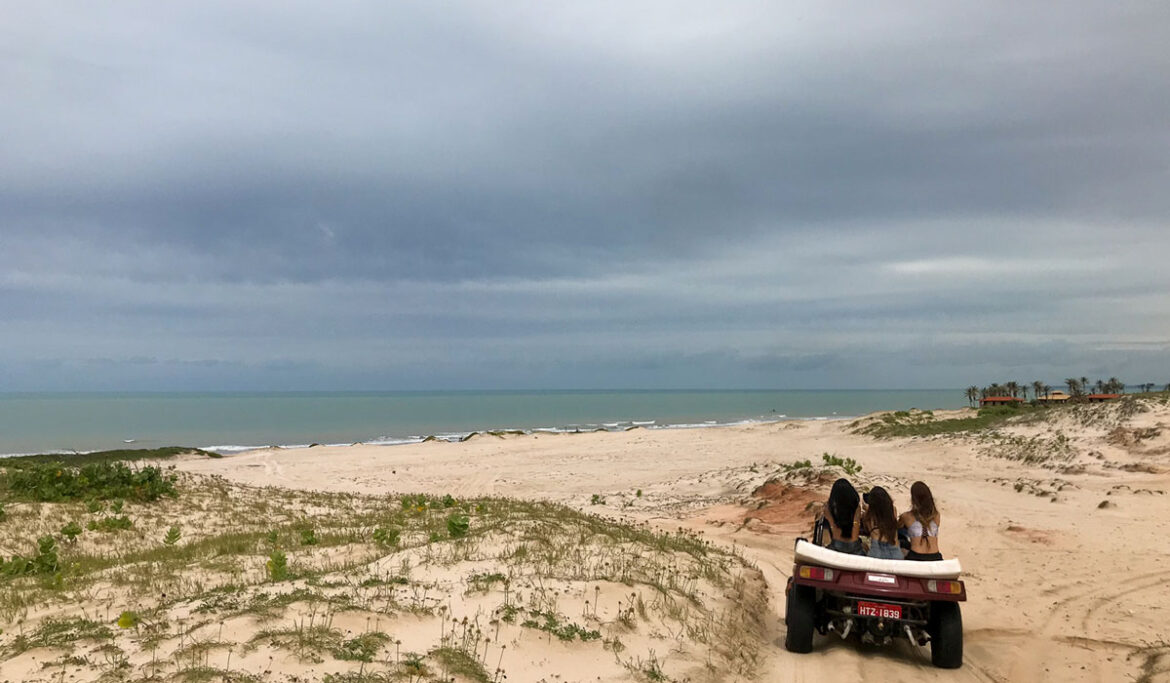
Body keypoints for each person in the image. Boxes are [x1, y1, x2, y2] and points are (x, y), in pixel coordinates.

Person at [900, 481, 943, 561]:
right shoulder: (936, 515)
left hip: (916, 555)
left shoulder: (906, 516)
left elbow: (896, 528)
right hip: (935, 556)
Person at [861, 486, 903, 559]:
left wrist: (866, 508)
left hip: (876, 550)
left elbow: (866, 527)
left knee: (863, 546)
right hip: (894, 550)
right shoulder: (893, 510)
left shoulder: (868, 514)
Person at [823, 478, 863, 555]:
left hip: (836, 547)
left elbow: (833, 535)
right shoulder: (855, 509)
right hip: (855, 549)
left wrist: (830, 518)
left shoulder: (832, 510)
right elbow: (854, 536)